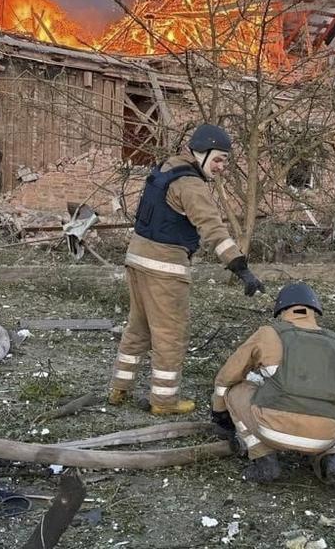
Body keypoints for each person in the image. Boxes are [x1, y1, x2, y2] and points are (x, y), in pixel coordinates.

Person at [107, 123, 265, 416]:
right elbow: (213, 229)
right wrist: (241, 268)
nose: (221, 167)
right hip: (164, 267)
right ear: (202, 153)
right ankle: (164, 401)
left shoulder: (166, 168)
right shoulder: (191, 185)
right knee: (170, 335)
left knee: (138, 328)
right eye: (218, 160)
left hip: (137, 259)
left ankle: (119, 388)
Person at [208, 282, 335, 498]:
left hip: (274, 431)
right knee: (329, 409)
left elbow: (227, 376)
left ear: (282, 310)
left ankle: (264, 458)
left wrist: (219, 413)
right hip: (323, 437)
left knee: (234, 390)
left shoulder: (269, 333)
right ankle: (332, 458)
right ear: (314, 311)